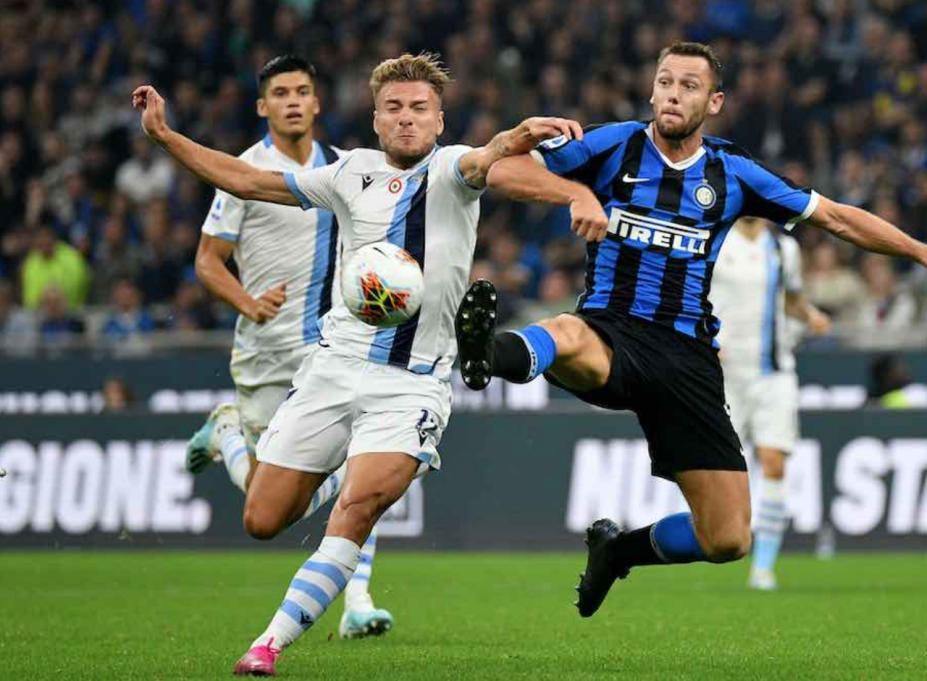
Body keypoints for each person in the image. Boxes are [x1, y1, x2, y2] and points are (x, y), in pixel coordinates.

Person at [454, 41, 927, 618]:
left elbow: (835, 218)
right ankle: (483, 353)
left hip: (687, 356)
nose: (674, 94)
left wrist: (926, 254)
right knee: (568, 334)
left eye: (690, 86)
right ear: (652, 89)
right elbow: (499, 168)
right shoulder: (611, 145)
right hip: (613, 329)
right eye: (666, 82)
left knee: (728, 538)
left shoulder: (733, 173)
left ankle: (618, 551)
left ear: (715, 101)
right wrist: (574, 191)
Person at [132, 52, 604, 675]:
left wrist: (523, 143)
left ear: (439, 120)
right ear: (376, 121)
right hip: (333, 369)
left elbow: (490, 157)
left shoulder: (452, 169)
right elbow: (245, 181)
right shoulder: (346, 172)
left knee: (356, 509)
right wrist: (166, 135)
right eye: (394, 109)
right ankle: (257, 444)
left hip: (411, 386)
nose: (407, 120)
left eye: (419, 109)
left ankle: (266, 646)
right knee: (263, 518)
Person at [183, 55, 391, 640]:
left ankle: (357, 600)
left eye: (303, 90)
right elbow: (207, 261)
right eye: (281, 93)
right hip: (267, 352)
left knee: (365, 468)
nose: (294, 101)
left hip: (333, 348)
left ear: (318, 102)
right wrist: (247, 303)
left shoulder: (342, 169)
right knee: (265, 499)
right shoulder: (245, 172)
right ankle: (226, 429)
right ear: (263, 106)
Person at [708, 216, 831, 591]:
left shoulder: (783, 248)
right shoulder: (716, 242)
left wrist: (810, 316)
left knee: (774, 462)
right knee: (723, 468)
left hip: (773, 371)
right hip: (725, 371)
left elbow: (790, 299)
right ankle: (721, 541)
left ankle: (763, 568)